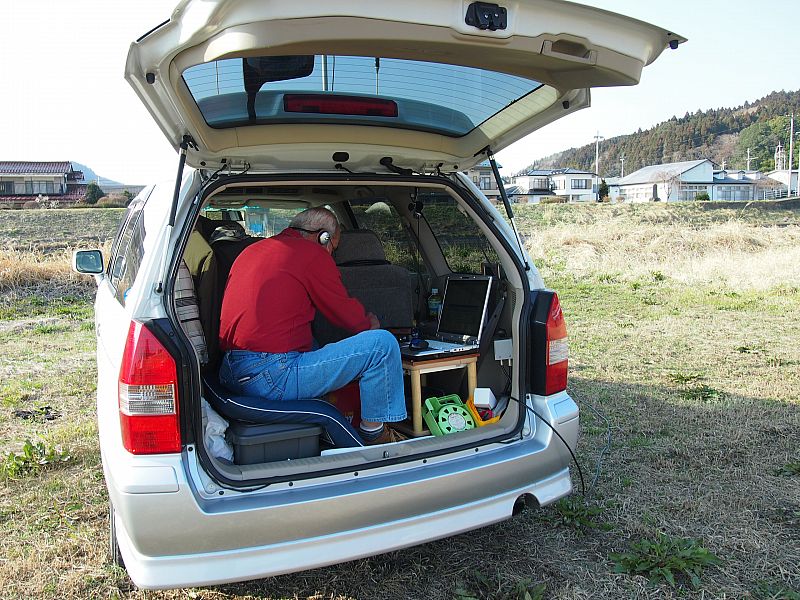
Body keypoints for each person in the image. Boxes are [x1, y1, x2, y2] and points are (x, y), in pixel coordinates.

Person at [217, 206, 407, 445]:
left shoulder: (251, 250)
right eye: (333, 248)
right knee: (382, 345)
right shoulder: (312, 253)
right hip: (271, 377)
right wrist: (371, 324)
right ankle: (375, 435)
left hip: (231, 372)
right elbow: (346, 314)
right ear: (323, 237)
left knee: (311, 341)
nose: (332, 256)